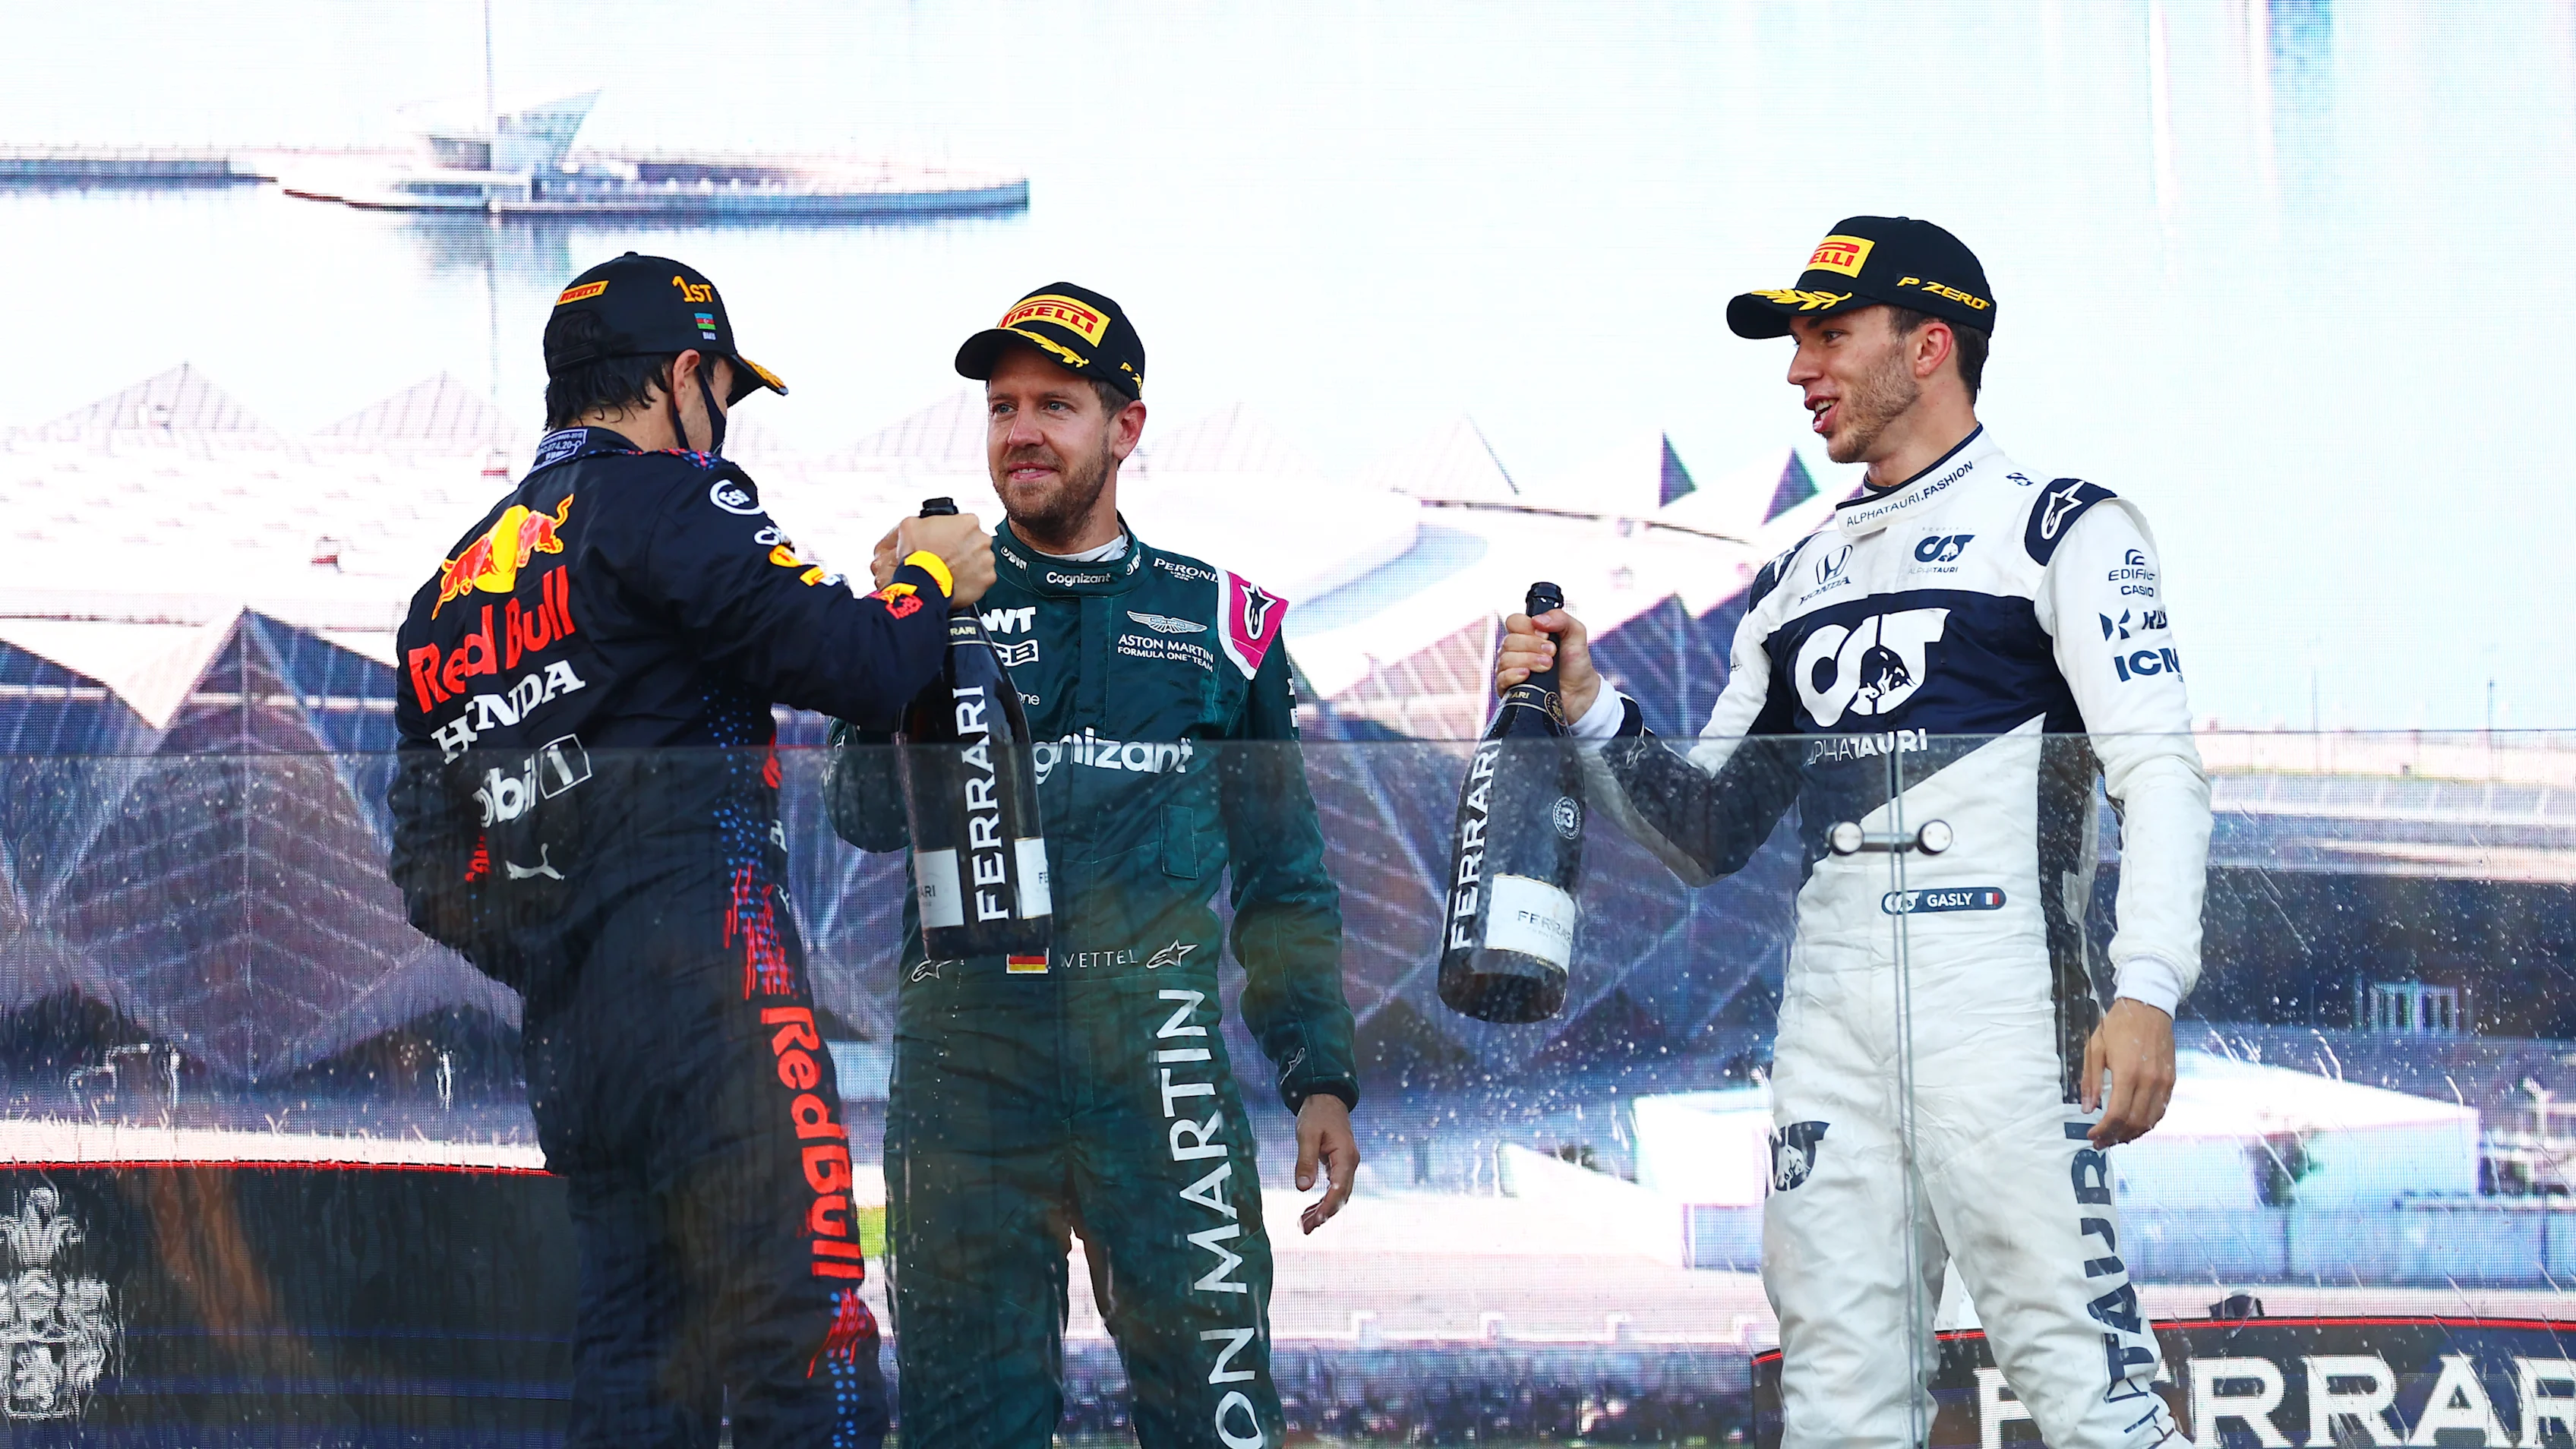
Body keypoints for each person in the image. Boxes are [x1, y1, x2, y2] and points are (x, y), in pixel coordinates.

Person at [1494, 218, 2210, 1448]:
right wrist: (1590, 706)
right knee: (1836, 1400)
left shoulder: (2062, 528)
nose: (1798, 370)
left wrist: (2147, 988)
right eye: (1796, 342)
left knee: (2085, 1384)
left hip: (2008, 1012)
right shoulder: (1793, 576)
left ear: (1930, 347)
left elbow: (2161, 773)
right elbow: (1709, 826)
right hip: (1828, 1028)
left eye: (1828, 336)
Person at [387, 251, 996, 1448]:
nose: (723, 425)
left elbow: (427, 875)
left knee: (635, 1363)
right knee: (805, 1332)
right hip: (720, 993)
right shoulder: (670, 497)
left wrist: (567, 936)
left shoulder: (444, 595)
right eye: (723, 393)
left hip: (572, 1037)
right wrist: (932, 581)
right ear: (679, 378)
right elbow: (858, 663)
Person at [822, 283, 1360, 1449]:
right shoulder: (932, 598)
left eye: (1054, 406)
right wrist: (894, 625)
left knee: (1220, 1423)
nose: (1020, 431)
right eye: (1001, 406)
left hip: (1158, 1060)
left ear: (1126, 428)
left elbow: (1284, 875)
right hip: (968, 1065)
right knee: (965, 1431)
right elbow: (860, 815)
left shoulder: (1227, 623)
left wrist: (1319, 1074)